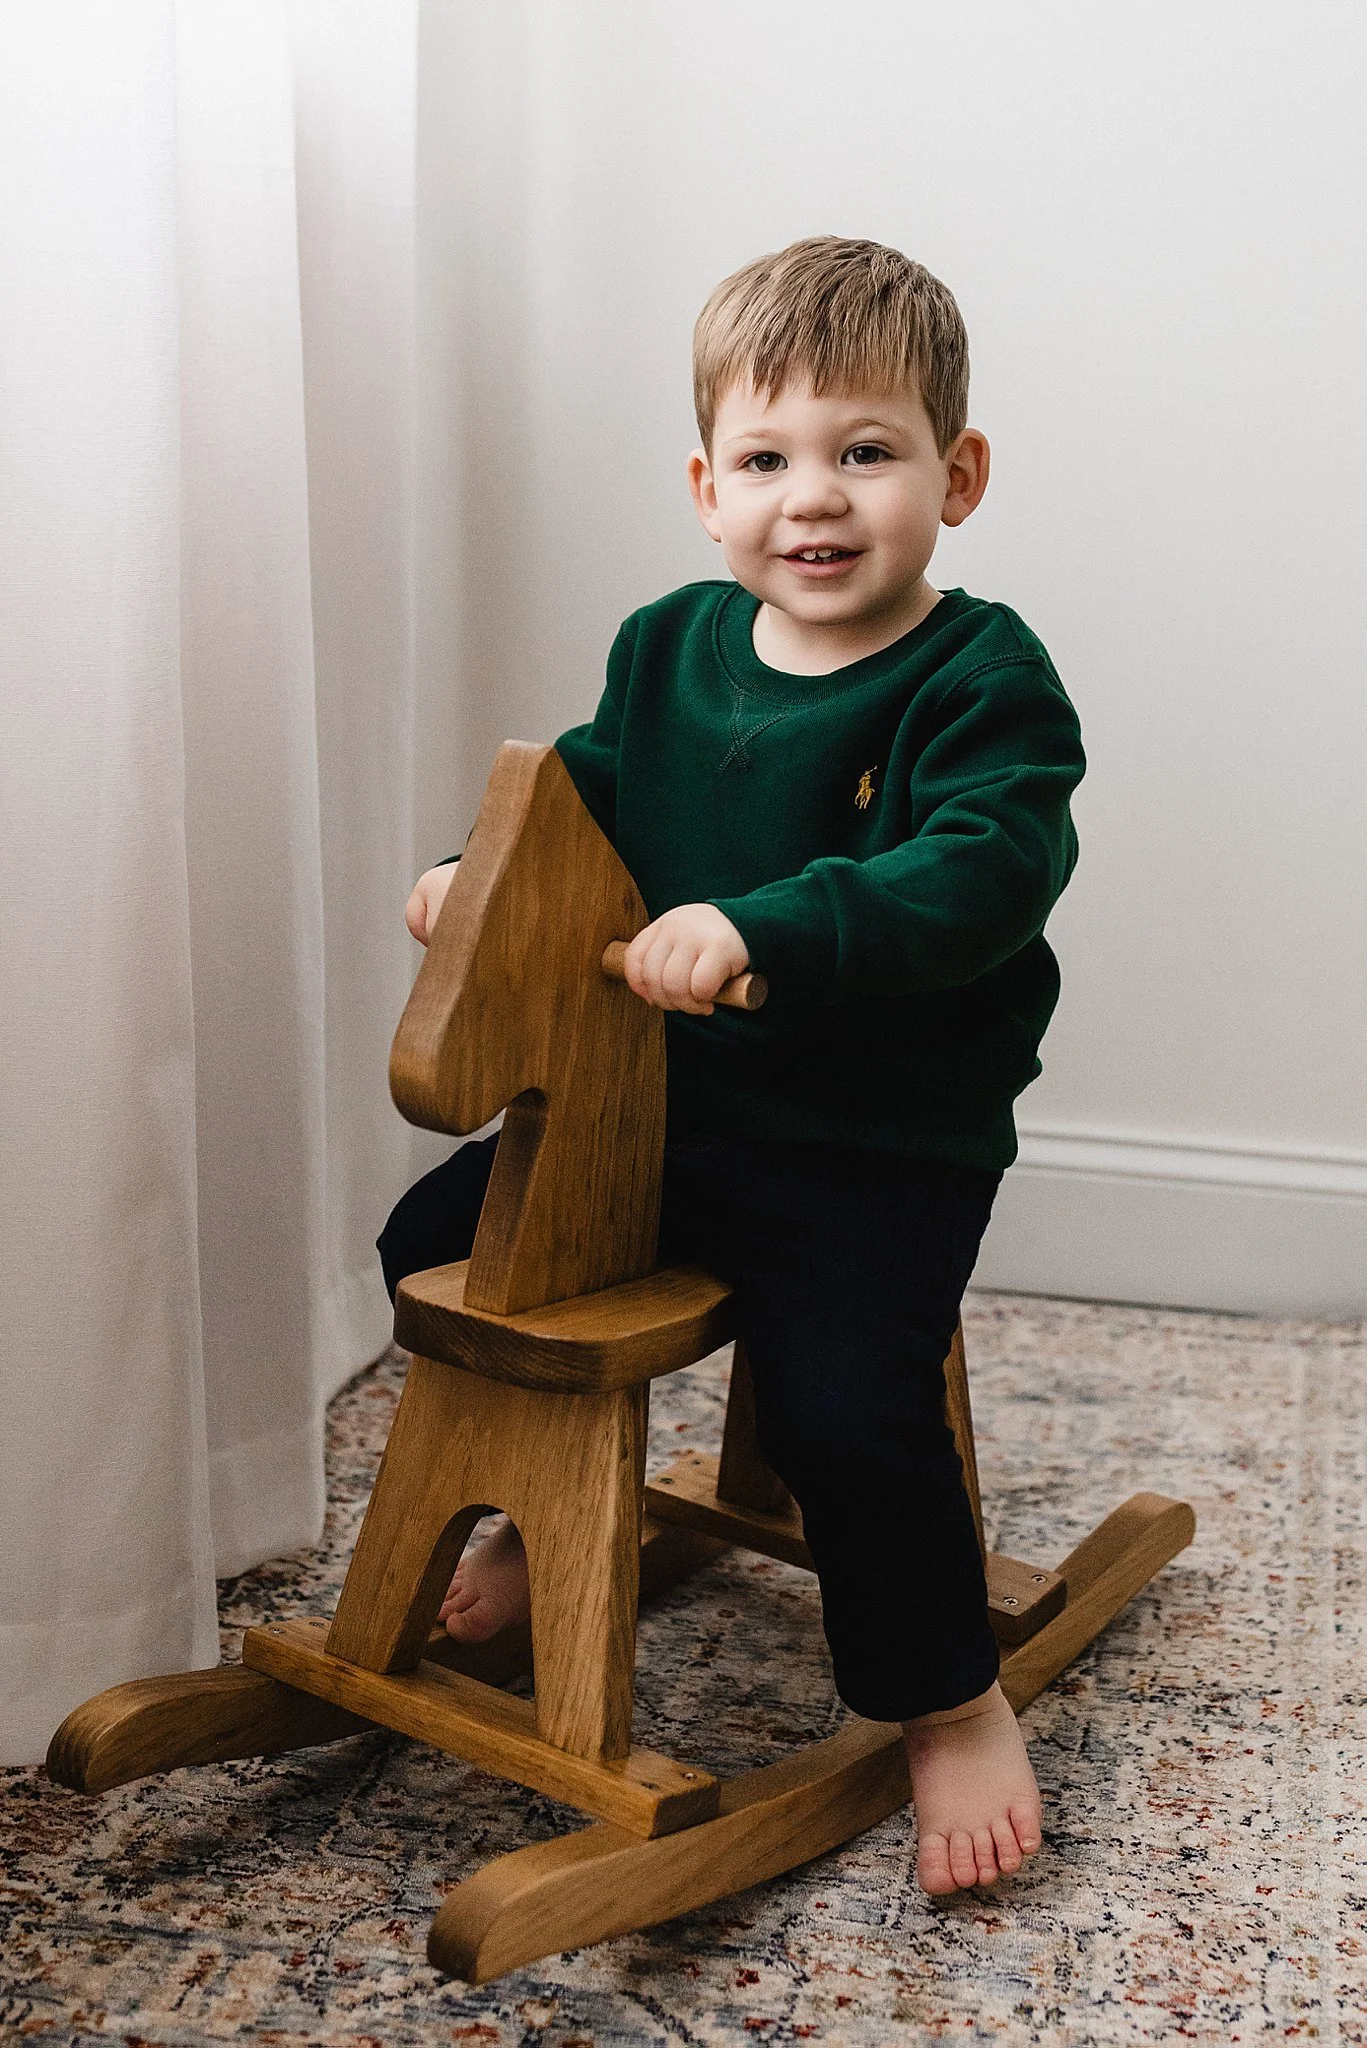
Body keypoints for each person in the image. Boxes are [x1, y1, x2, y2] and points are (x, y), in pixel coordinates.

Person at [378, 236, 1085, 1897]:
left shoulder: (981, 681)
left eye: (864, 452)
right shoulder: (671, 647)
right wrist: (472, 886)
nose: (813, 500)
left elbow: (978, 876)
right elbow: (581, 809)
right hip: (666, 1116)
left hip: (870, 1141)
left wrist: (767, 923)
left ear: (954, 474)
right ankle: (537, 1521)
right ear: (708, 489)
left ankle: (945, 1693)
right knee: (434, 1244)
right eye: (766, 459)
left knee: (848, 1406)